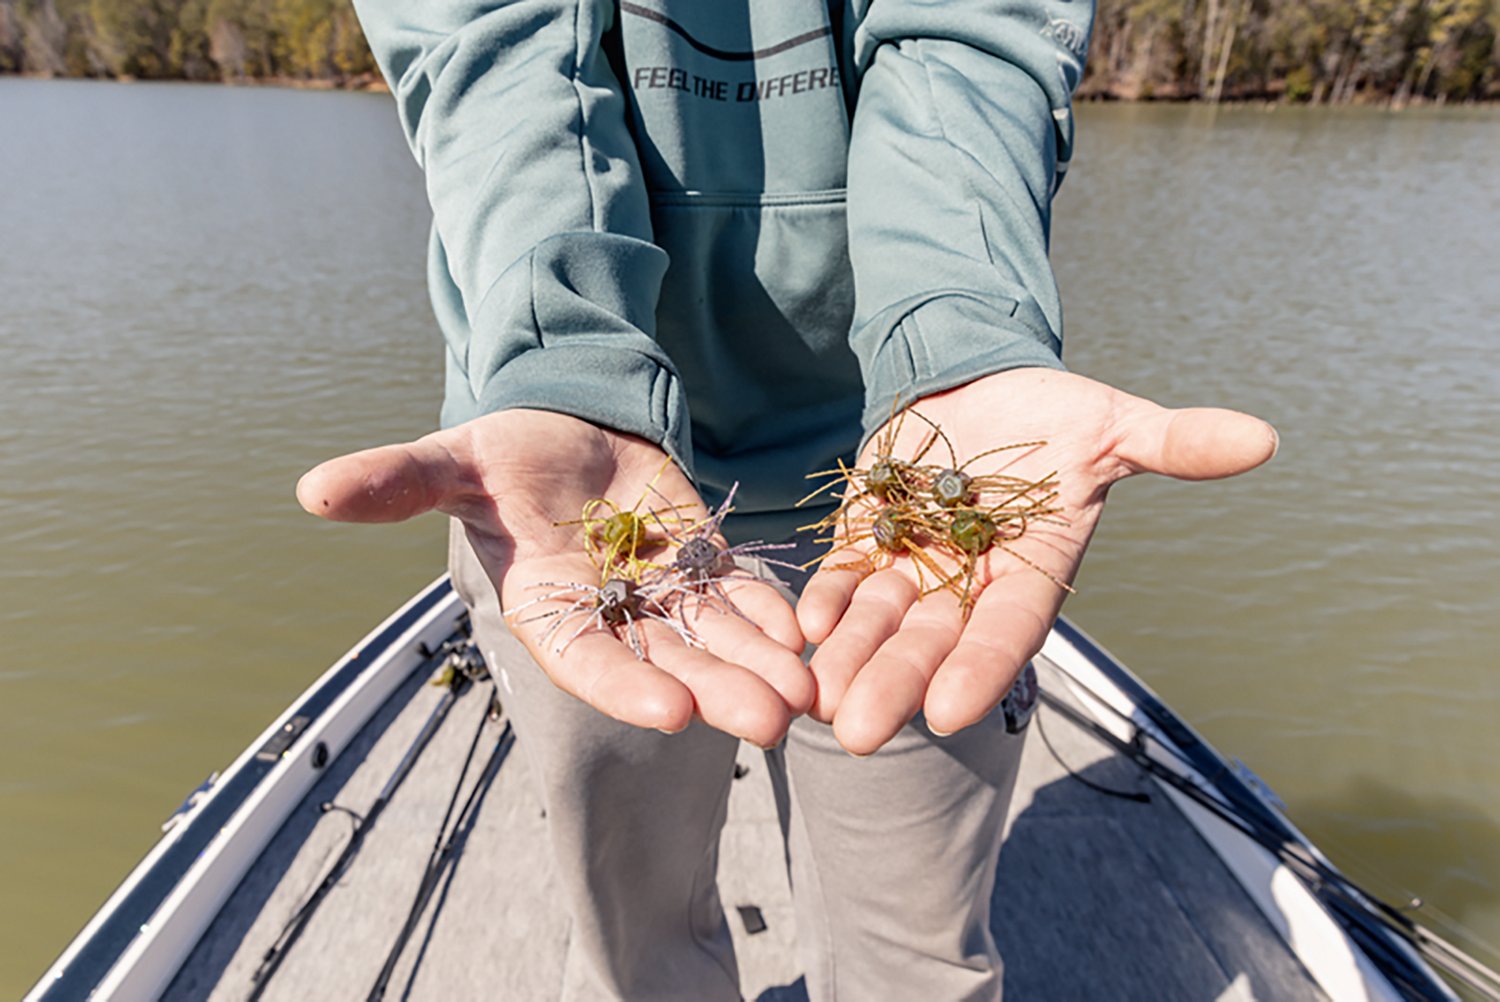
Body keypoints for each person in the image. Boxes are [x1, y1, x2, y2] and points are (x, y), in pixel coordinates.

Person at [297, 1, 1277, 998]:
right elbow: (494, 55)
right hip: (560, 503)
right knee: (636, 955)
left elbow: (967, 41)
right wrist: (562, 363)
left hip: (885, 506)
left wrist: (961, 340)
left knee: (918, 961)